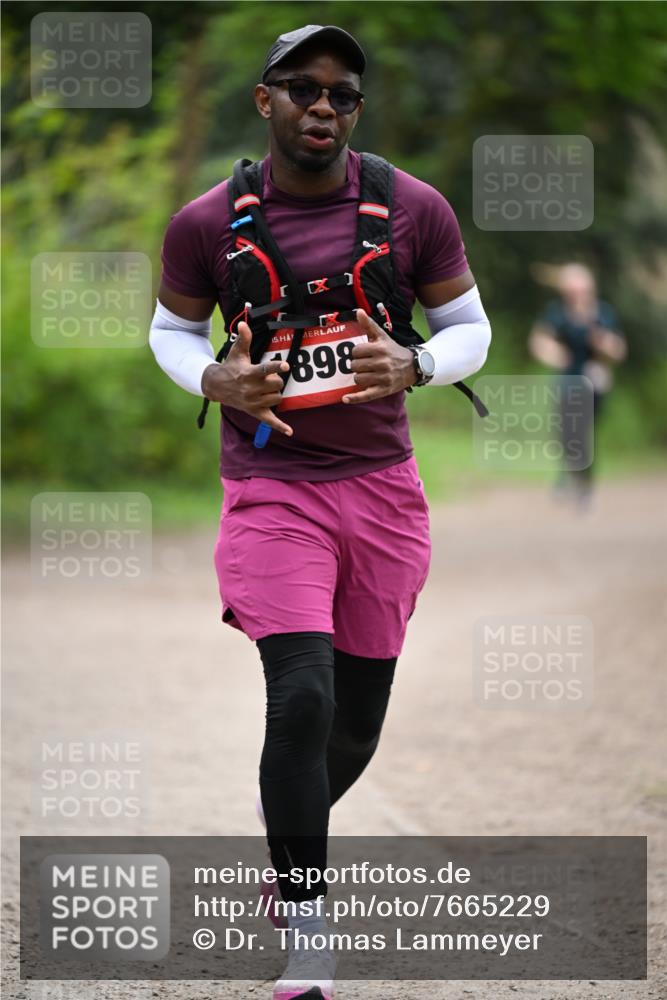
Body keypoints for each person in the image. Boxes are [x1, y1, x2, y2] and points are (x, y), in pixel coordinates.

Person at [149, 24, 491, 1000]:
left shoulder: (413, 208)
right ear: (265, 100)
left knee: (355, 724)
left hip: (382, 492)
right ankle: (308, 928)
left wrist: (416, 363)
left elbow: (470, 328)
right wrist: (214, 377)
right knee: (300, 696)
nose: (323, 106)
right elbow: (170, 331)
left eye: (342, 93)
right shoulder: (206, 223)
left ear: (356, 110)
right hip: (271, 490)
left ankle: (285, 832)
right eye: (303, 87)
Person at [528, 263, 626, 508]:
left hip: (594, 383)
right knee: (566, 433)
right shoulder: (559, 312)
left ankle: (584, 486)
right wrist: (553, 352)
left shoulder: (602, 313)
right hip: (567, 381)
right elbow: (539, 340)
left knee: (581, 433)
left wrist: (604, 344)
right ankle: (569, 475)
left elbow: (619, 350)